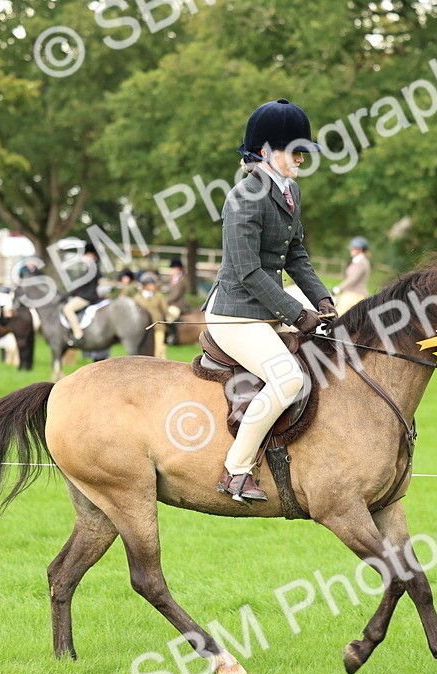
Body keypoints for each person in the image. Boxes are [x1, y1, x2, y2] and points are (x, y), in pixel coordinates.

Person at [201, 98, 335, 503]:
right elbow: (247, 271)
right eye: (293, 151)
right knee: (289, 378)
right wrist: (297, 313)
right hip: (234, 315)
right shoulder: (243, 197)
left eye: (302, 152)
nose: (300, 159)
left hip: (267, 311)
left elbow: (296, 256)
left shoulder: (289, 190)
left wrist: (324, 301)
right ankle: (236, 470)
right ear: (264, 153)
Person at [62, 243, 102, 345]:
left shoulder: (92, 268)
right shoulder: (92, 267)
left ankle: (78, 334)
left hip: (86, 296)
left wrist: (71, 294)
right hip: (85, 294)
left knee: (67, 309)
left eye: (87, 254)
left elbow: (82, 286)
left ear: (92, 254)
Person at [132, 272, 171, 358]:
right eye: (150, 284)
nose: (152, 286)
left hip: (158, 326)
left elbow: (165, 309)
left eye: (153, 284)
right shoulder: (137, 298)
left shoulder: (158, 296)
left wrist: (169, 317)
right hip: (144, 328)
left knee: (159, 350)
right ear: (144, 285)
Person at [336, 236, 371, 314]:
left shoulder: (361, 262)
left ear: (360, 249)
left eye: (353, 248)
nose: (350, 249)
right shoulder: (358, 261)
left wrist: (338, 288)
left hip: (355, 294)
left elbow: (352, 279)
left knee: (338, 315)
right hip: (350, 293)